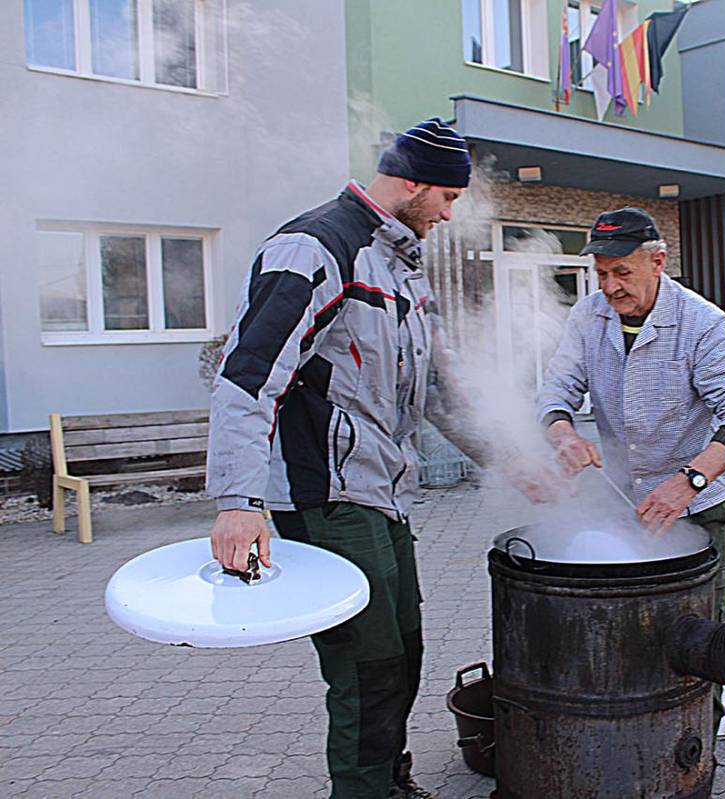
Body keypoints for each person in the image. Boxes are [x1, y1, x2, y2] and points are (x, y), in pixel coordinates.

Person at [206, 118, 546, 799]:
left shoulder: (400, 269)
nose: (451, 214)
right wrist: (238, 503)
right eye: (446, 198)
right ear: (413, 182)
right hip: (326, 495)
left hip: (383, 495)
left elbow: (441, 391)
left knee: (405, 650)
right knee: (367, 665)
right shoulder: (315, 248)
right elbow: (249, 374)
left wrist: (507, 457)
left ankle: (388, 780)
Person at [536, 207, 725, 625]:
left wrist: (689, 480)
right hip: (622, 500)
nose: (610, 287)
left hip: (700, 505)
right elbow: (556, 389)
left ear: (657, 262)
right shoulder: (587, 316)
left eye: (621, 272)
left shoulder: (705, 324)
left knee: (696, 629)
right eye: (601, 274)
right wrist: (562, 432)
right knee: (626, 625)